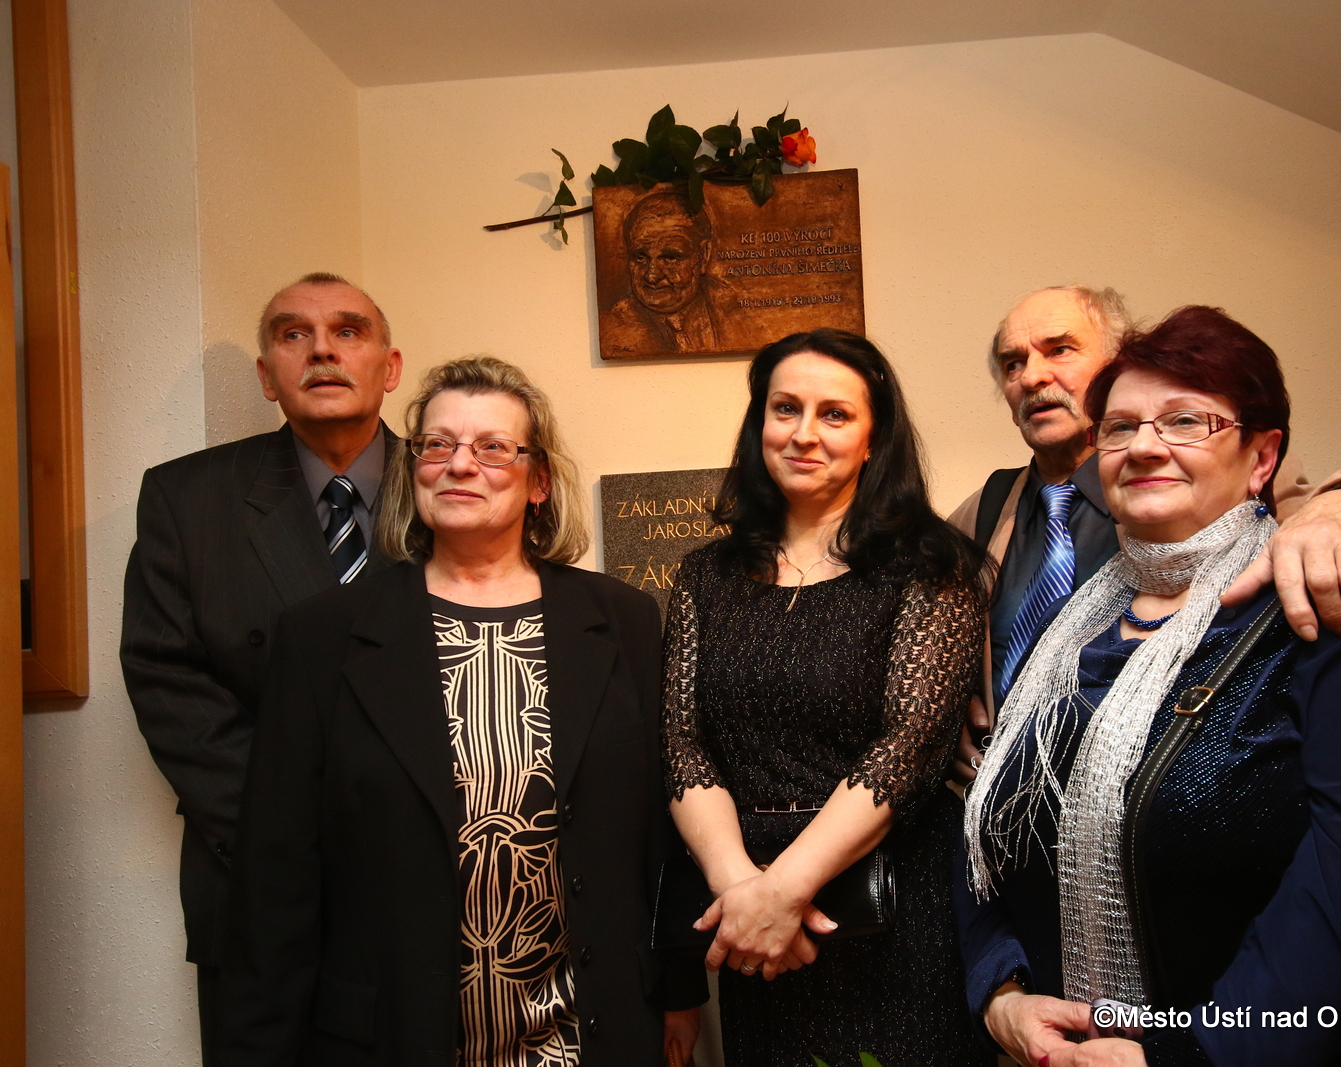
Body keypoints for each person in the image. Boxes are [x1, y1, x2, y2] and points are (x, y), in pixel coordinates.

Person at [958, 307, 1341, 1066]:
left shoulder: (1333, 600)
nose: (1145, 445)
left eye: (1186, 420)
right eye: (1120, 428)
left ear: (1262, 458)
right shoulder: (1066, 626)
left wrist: (1185, 1056)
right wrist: (1002, 993)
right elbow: (984, 824)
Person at [222, 357, 704, 1065]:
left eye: (492, 447)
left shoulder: (621, 619)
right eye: (437, 445)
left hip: (588, 1027)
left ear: (539, 481)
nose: (459, 465)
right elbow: (276, 869)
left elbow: (660, 829)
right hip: (396, 1033)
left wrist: (680, 986)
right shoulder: (323, 636)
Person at [949, 286, 1341, 782]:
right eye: (1012, 364)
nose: (1032, 376)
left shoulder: (1223, 481)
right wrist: (945, 711)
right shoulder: (986, 511)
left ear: (1116, 362)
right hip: (1000, 804)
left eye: (1059, 349)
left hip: (1169, 796)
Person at [662, 329, 992, 1066]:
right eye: (785, 408)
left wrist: (786, 891)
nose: (804, 433)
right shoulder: (705, 574)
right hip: (751, 930)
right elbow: (683, 744)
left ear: (874, 439)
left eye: (835, 414)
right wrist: (743, 892)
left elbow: (910, 746)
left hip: (892, 919)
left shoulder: (931, 566)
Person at [120, 272, 403, 1062]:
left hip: (440, 878)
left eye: (348, 330)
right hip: (255, 884)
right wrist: (295, 827)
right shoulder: (187, 499)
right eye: (293, 334)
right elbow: (167, 679)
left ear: (390, 366)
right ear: (266, 376)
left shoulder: (460, 484)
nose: (322, 350)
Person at [599, 188, 751, 357]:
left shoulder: (738, 312)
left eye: (670, 258)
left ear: (704, 255)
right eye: (640, 258)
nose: (652, 276)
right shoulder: (615, 325)